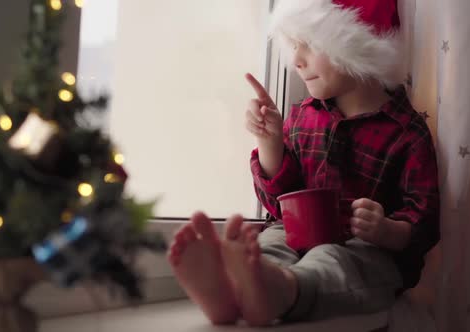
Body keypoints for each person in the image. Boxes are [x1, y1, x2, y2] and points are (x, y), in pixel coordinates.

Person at [167, 0, 440, 326]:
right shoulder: (302, 116)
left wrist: (387, 230)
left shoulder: (406, 132)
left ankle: (279, 289)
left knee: (334, 259)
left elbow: (423, 222)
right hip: (294, 234)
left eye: (310, 46)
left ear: (354, 44)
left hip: (368, 253)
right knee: (269, 242)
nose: (296, 61)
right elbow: (279, 206)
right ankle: (237, 289)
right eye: (294, 46)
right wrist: (270, 144)